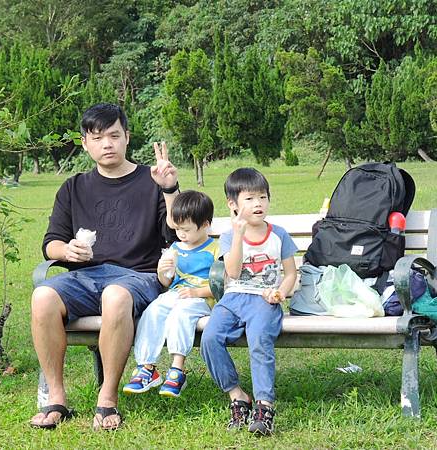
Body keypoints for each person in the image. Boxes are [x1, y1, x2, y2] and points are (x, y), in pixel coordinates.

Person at [28, 103, 180, 431]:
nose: (107, 144)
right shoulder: (74, 187)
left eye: (114, 135)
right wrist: (67, 250)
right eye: (97, 138)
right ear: (85, 143)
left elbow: (176, 231)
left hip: (139, 276)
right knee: (43, 296)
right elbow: (51, 243)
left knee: (115, 295)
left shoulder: (150, 179)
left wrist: (169, 188)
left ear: (127, 136)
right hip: (85, 276)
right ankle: (56, 398)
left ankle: (107, 399)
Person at [200, 167, 297, 436]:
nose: (258, 204)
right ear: (233, 205)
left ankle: (264, 406)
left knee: (259, 340)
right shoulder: (231, 236)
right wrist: (239, 234)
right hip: (233, 298)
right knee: (209, 339)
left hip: (264, 301)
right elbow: (231, 272)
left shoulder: (279, 234)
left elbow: (290, 274)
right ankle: (237, 395)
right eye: (250, 199)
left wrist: (280, 292)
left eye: (263, 197)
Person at [122, 190, 219, 398]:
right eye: (178, 229)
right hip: (175, 294)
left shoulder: (215, 249)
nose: (181, 234)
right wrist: (162, 270)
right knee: (154, 310)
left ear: (205, 225)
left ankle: (177, 369)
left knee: (180, 314)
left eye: (186, 230)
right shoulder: (175, 247)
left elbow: (222, 285)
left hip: (201, 298)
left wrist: (197, 292)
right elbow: (166, 282)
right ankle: (146, 367)